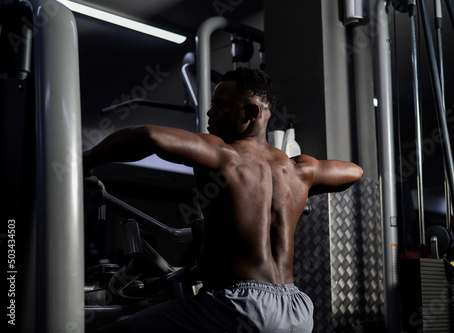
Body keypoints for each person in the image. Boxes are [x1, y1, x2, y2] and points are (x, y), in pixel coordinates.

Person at [84, 67, 363, 333]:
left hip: (241, 308)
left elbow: (147, 136)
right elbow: (355, 172)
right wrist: (302, 190)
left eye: (221, 104)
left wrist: (85, 161)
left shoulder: (224, 154)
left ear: (252, 112)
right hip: (297, 309)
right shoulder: (298, 171)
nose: (210, 111)